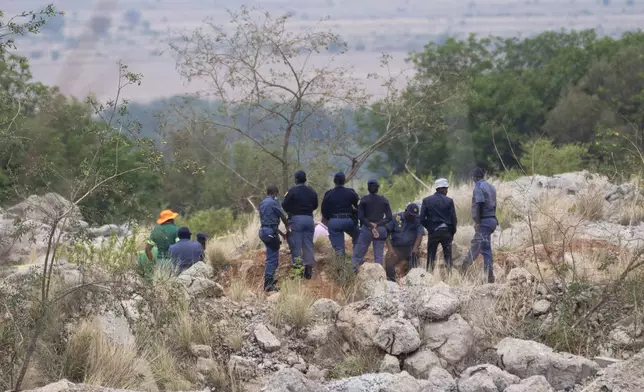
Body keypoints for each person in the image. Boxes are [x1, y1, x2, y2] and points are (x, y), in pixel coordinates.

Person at [461, 167, 498, 283]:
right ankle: (489, 275)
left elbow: (479, 204)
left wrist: (477, 222)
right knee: (485, 247)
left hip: (484, 222)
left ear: (474, 178)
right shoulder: (491, 187)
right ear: (483, 176)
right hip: (492, 220)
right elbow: (494, 205)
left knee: (476, 245)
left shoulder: (478, 187)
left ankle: (464, 268)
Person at [282, 170, 319, 279]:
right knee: (308, 244)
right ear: (305, 179)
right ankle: (308, 270)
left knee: (296, 244)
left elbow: (284, 205)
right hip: (309, 219)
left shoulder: (292, 191)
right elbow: (315, 205)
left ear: (296, 179)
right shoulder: (311, 191)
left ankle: (298, 271)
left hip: (296, 219)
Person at [351, 179, 393, 272]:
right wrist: (377, 224)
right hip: (381, 229)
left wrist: (370, 225)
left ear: (368, 188)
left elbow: (360, 216)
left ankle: (352, 273)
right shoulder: (384, 200)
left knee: (358, 254)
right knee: (378, 257)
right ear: (378, 189)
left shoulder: (364, 200)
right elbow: (389, 217)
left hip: (367, 229)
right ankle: (379, 276)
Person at [420, 178, 457, 272]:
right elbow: (454, 219)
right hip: (446, 232)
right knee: (448, 257)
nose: (447, 191)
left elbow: (421, 219)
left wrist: (430, 228)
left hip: (433, 232)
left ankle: (429, 276)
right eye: (446, 188)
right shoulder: (449, 201)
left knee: (431, 256)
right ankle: (450, 277)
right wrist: (452, 233)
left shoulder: (426, 200)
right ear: (442, 188)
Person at [321, 172, 360, 257]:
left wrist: (330, 219)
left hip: (334, 221)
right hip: (349, 221)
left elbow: (323, 210)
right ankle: (357, 258)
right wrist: (356, 215)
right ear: (344, 181)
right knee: (358, 235)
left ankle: (341, 266)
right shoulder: (350, 192)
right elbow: (360, 206)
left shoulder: (329, 194)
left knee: (339, 249)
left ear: (334, 181)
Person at [259, 184, 289, 291]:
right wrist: (287, 227)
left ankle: (269, 281)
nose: (277, 196)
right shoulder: (274, 202)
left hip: (263, 232)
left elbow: (269, 223)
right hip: (270, 233)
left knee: (270, 255)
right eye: (277, 194)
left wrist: (281, 234)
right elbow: (283, 216)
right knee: (272, 259)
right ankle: (268, 284)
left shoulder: (262, 203)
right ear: (274, 193)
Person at [384, 203, 425, 281]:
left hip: (410, 248)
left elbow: (420, 234)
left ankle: (413, 282)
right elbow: (386, 233)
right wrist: (390, 248)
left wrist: (415, 247)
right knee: (389, 261)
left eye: (414, 215)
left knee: (415, 263)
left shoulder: (417, 220)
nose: (412, 217)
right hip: (397, 248)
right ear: (406, 211)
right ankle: (391, 283)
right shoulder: (396, 218)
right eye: (410, 215)